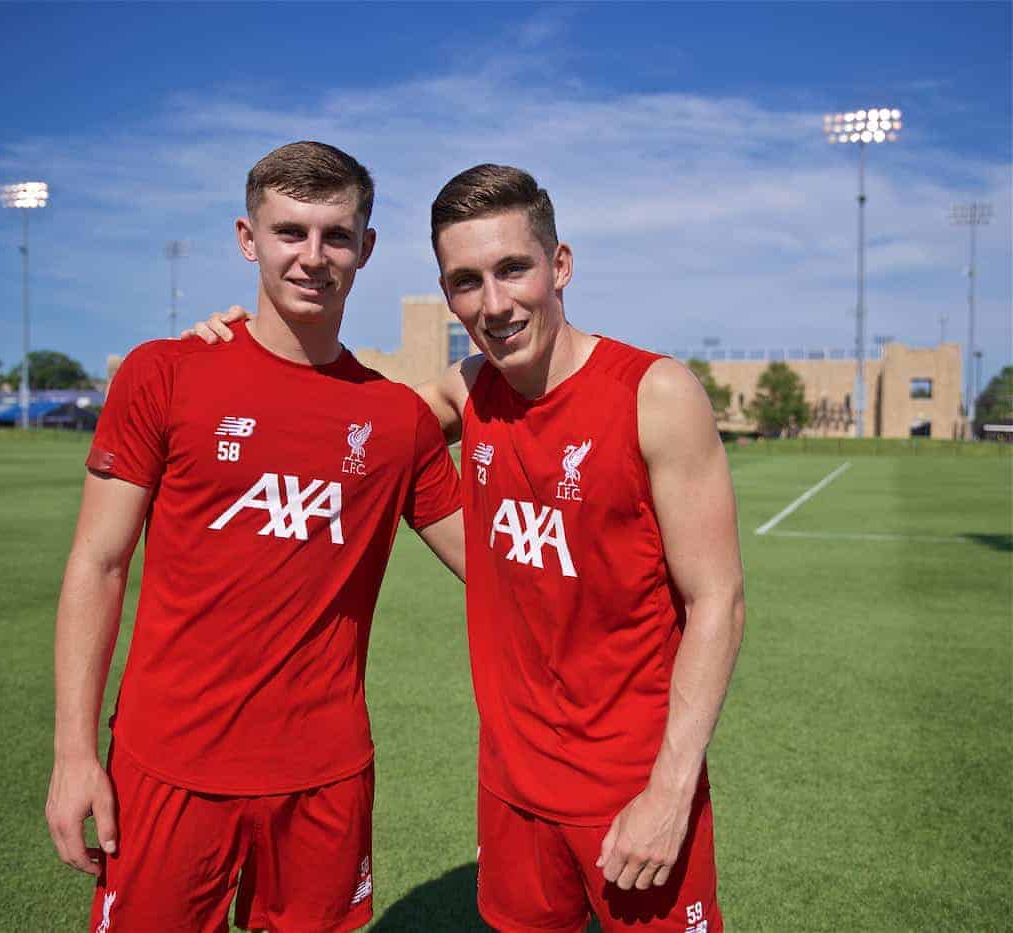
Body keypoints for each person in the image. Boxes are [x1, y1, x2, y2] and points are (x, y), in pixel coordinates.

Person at [191, 163, 745, 932]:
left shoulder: (654, 394)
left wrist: (671, 788)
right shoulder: (465, 389)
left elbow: (716, 600)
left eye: (513, 268)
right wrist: (243, 349)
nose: (494, 303)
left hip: (634, 785)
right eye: (465, 281)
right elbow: (340, 424)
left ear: (560, 266)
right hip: (512, 792)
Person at [47, 141, 464, 933]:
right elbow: (98, 564)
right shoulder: (165, 374)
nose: (314, 256)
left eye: (337, 235)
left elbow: (498, 564)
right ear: (248, 238)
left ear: (366, 248)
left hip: (325, 776)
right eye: (290, 232)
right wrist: (74, 754)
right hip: (169, 764)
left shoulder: (395, 420)